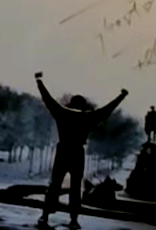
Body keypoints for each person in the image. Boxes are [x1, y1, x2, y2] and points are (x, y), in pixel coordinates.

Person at [36, 72, 129, 228]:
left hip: (63, 150)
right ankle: (73, 219)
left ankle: (45, 216)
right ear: (84, 106)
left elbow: (48, 99)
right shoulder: (88, 117)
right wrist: (121, 96)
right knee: (75, 188)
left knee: (54, 185)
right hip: (77, 153)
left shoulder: (62, 113)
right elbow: (107, 110)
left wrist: (39, 82)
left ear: (71, 104)